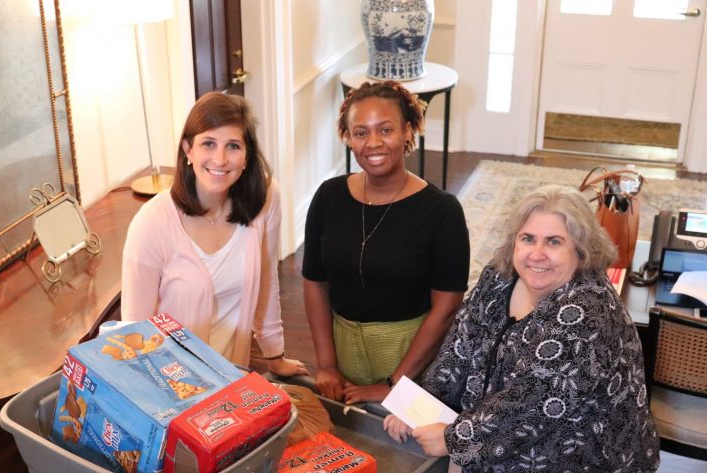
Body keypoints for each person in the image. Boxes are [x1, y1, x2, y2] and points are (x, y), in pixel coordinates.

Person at [384, 184, 660, 472]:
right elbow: (459, 348)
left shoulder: (588, 311)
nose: (536, 254)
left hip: (580, 457)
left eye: (554, 242)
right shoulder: (500, 276)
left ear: (581, 250)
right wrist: (419, 408)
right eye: (527, 238)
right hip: (493, 438)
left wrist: (455, 440)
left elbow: (533, 405)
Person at [303, 80, 470, 404]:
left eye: (385, 129)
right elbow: (314, 282)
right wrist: (326, 365)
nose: (373, 143)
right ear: (348, 138)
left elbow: (446, 309)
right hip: (343, 360)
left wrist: (396, 384)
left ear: (408, 131)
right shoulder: (328, 197)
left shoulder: (442, 211)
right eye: (361, 132)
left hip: (414, 363)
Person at [122, 92, 307, 377]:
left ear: (247, 156)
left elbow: (268, 278)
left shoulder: (266, 198)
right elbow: (134, 333)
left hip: (233, 378)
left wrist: (274, 354)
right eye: (208, 143)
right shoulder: (151, 223)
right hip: (171, 385)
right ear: (188, 150)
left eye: (233, 146)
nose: (220, 159)